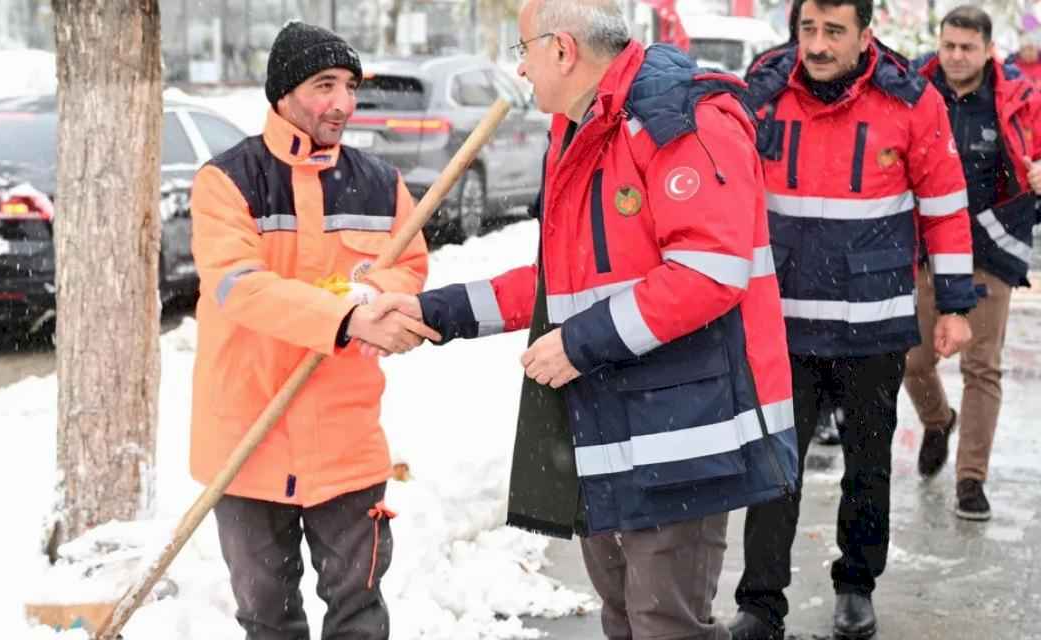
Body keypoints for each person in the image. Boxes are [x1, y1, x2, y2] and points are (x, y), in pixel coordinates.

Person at [378, 0, 799, 637]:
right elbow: (561, 284)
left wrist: (578, 344)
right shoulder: (581, 130)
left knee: (664, 624)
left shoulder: (679, 118)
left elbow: (709, 273)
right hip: (611, 424)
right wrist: (437, 312)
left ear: (562, 50)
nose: (518, 71)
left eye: (522, 51)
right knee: (625, 619)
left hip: (682, 432)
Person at [188, 21, 438, 639]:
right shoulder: (227, 182)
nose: (343, 103)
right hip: (249, 438)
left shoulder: (380, 184)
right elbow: (239, 288)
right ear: (282, 92)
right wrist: (346, 316)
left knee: (359, 616)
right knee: (267, 619)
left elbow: (410, 267)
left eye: (350, 85)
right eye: (325, 84)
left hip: (345, 440)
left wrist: (377, 297)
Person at [736, 1, 977, 638]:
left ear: (865, 34)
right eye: (807, 29)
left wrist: (953, 304)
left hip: (872, 326)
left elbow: (946, 206)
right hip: (782, 326)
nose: (816, 46)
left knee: (867, 468)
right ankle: (760, 604)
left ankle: (856, 587)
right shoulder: (761, 91)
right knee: (772, 470)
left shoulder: (910, 101)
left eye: (833, 32)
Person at [907, 5, 1041, 521]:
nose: (957, 56)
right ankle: (938, 421)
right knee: (912, 359)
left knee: (981, 366)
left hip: (991, 245)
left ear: (988, 49)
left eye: (967, 47)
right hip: (924, 245)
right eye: (949, 46)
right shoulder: (915, 89)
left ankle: (970, 480)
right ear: (938, 45)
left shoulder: (1018, 99)